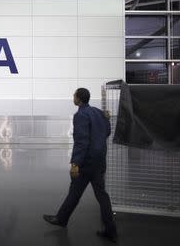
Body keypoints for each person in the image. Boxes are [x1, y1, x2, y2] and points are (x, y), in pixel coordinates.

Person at [43, 88, 118, 243]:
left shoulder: (80, 115)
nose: (73, 97)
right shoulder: (98, 112)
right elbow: (106, 133)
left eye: (74, 96)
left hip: (86, 162)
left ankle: (61, 219)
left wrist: (75, 163)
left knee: (76, 190)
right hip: (99, 160)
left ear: (79, 99)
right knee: (98, 194)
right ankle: (110, 230)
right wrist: (107, 119)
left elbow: (82, 141)